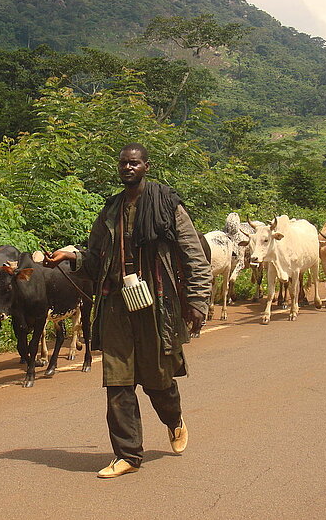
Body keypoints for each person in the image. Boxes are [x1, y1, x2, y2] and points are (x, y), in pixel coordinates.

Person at [44, 142, 212, 478]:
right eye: (123, 163)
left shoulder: (167, 205)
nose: (127, 168)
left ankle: (174, 419)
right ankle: (127, 455)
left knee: (158, 381)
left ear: (146, 166)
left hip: (158, 304)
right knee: (118, 381)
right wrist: (71, 256)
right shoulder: (110, 210)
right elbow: (93, 258)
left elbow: (195, 256)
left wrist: (197, 301)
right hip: (118, 304)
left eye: (134, 163)